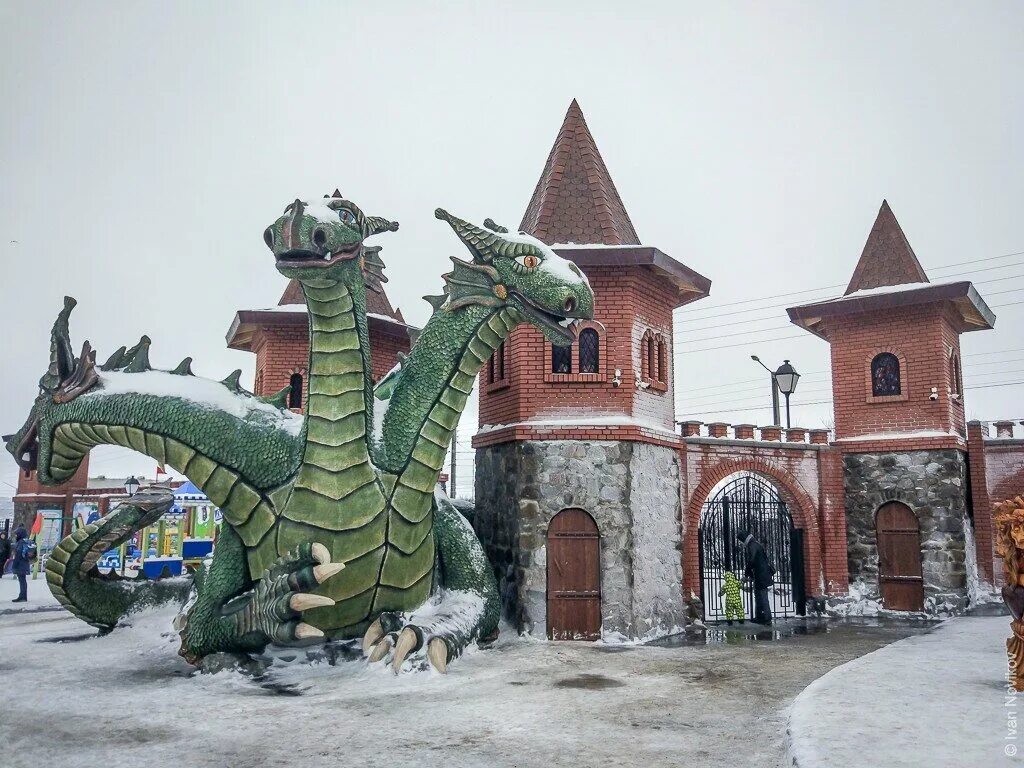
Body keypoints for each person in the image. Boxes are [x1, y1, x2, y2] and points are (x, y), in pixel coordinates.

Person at [736, 528, 774, 625]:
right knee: (759, 595)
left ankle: (766, 618)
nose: (740, 543)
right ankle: (760, 617)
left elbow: (751, 560)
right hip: (761, 574)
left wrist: (747, 572)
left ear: (743, 539)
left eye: (740, 541)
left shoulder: (752, 545)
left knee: (762, 596)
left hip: (761, 575)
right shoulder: (755, 544)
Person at [11, 527, 31, 602]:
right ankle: (23, 596)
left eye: (16, 534)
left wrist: (14, 565)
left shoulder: (20, 542)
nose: (16, 535)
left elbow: (18, 554)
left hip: (20, 564)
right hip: (25, 563)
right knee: (23, 580)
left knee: (22, 580)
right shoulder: (26, 541)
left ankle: (22, 596)